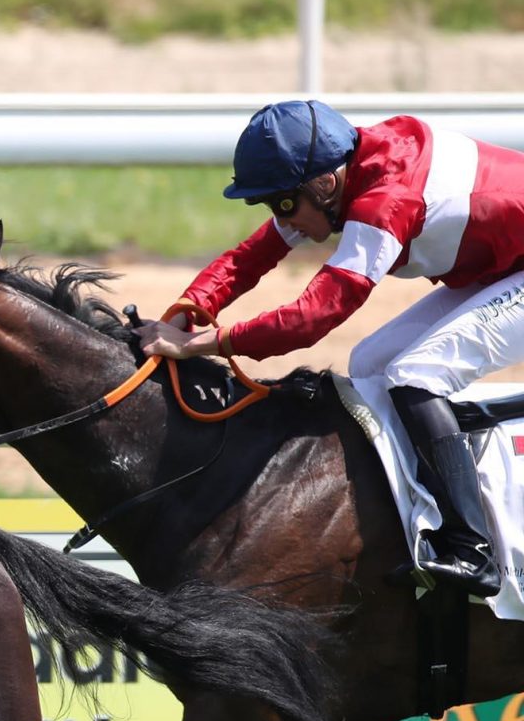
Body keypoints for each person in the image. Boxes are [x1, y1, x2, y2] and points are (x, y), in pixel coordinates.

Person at [137, 99, 524, 597]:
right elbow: (248, 259)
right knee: (370, 366)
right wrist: (183, 311)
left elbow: (315, 315)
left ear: (323, 185)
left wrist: (202, 344)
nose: (283, 220)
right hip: (503, 267)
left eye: (282, 204)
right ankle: (415, 516)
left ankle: (473, 551)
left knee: (416, 374)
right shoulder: (331, 172)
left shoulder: (385, 199)